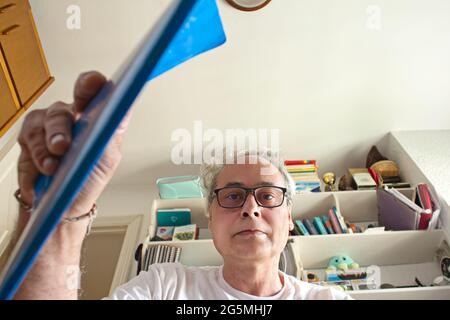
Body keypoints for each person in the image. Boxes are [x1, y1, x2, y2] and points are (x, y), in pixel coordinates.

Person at [12, 71, 351, 300]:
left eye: (267, 195)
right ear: (211, 219)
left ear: (290, 217)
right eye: (232, 196)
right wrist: (57, 217)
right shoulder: (165, 286)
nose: (251, 208)